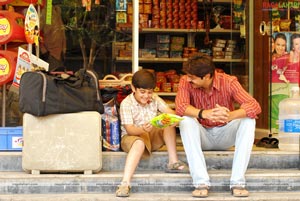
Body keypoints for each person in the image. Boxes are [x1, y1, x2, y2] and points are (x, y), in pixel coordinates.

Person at [175, 53, 261, 198]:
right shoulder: (185, 81)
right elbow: (180, 107)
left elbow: (254, 105)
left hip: (225, 134)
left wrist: (230, 116)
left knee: (248, 119)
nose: (189, 79)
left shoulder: (229, 81)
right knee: (185, 120)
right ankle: (201, 182)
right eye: (188, 76)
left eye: (193, 77)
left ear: (207, 76)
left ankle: (237, 182)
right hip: (203, 135)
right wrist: (204, 113)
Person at [116, 69, 189, 197]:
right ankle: (125, 183)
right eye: (142, 92)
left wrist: (173, 118)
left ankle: (173, 162)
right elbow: (130, 129)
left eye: (150, 92)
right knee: (138, 143)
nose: (146, 96)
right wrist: (143, 129)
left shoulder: (154, 98)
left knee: (168, 123)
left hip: (150, 136)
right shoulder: (126, 103)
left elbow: (168, 111)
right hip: (132, 138)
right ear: (133, 88)